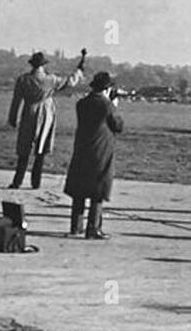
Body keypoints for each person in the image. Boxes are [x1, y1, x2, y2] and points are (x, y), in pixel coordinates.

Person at [7, 48, 86, 189]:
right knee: (41, 149)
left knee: (24, 149)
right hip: (46, 113)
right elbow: (70, 82)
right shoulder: (51, 79)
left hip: (28, 112)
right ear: (43, 65)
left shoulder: (23, 79)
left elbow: (16, 100)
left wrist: (12, 118)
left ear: (32, 65)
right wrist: (79, 70)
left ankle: (17, 181)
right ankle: (36, 183)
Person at [64, 72, 125, 239]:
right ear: (107, 88)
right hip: (100, 150)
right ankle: (93, 227)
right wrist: (114, 104)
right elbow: (118, 125)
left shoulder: (82, 103)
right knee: (98, 190)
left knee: (80, 190)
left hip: (82, 148)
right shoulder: (107, 105)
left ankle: (76, 226)